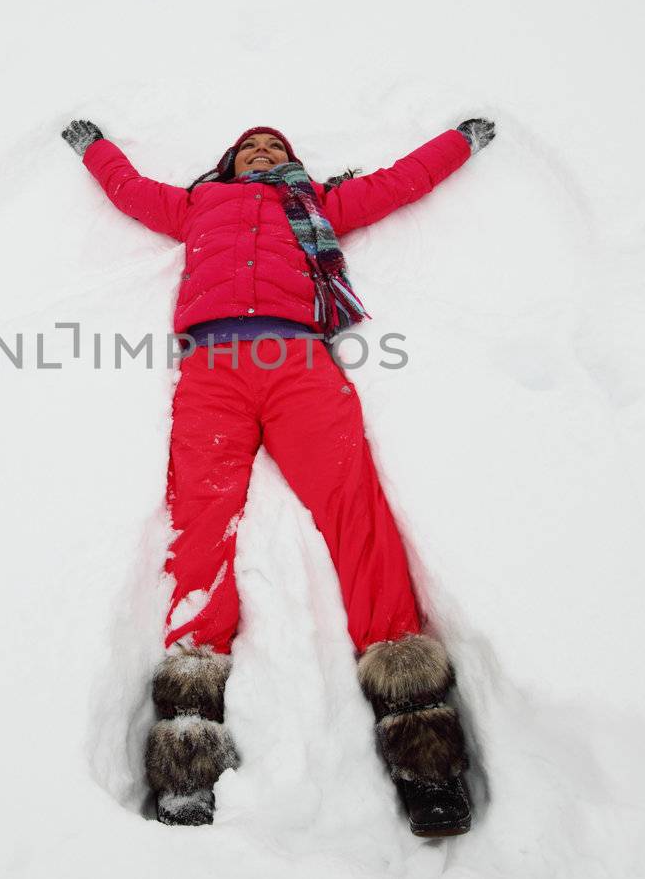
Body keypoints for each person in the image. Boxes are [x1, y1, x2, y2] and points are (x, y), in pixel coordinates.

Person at [61, 116, 496, 837]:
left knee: (356, 513)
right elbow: (131, 191)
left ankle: (425, 750)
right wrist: (94, 150)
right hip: (212, 373)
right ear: (228, 164)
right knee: (200, 529)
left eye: (276, 148)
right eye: (250, 148)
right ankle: (187, 755)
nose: (263, 152)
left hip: (299, 366)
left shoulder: (320, 204)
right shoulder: (198, 205)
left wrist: (459, 141)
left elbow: (399, 183)